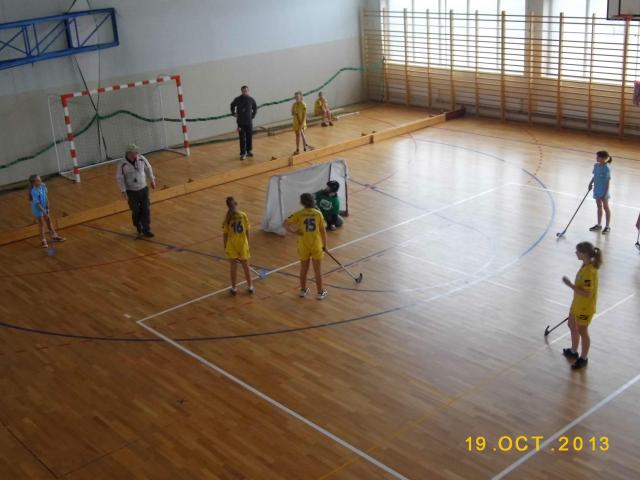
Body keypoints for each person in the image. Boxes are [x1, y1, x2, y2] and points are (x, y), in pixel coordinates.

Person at [561, 241, 602, 370]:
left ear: (584, 253)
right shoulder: (585, 265)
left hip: (585, 307)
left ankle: (583, 359)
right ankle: (573, 351)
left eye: (578, 251)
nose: (576, 253)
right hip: (577, 303)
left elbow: (588, 294)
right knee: (571, 325)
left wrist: (570, 285)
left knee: (582, 331)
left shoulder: (589, 271)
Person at [283, 193, 328, 300]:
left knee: (304, 269)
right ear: (313, 201)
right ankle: (320, 292)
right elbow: (323, 231)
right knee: (317, 270)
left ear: (302, 203)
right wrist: (325, 245)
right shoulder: (318, 214)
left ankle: (303, 290)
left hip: (303, 245)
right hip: (316, 245)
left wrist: (294, 232)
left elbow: (285, 223)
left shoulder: (299, 214)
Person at [116, 144, 156, 238]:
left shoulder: (141, 159)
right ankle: (137, 224)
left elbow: (148, 168)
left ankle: (146, 229)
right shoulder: (122, 164)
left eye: (137, 151)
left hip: (143, 189)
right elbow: (120, 178)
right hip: (131, 192)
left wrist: (152, 180)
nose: (137, 153)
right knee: (136, 210)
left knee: (146, 209)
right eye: (134, 152)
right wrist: (123, 191)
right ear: (129, 153)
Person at [222, 197, 254, 295]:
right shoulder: (243, 215)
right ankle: (250, 287)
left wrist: (225, 246)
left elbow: (225, 234)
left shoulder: (227, 218)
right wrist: (248, 243)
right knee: (246, 266)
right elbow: (247, 230)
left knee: (233, 267)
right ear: (236, 203)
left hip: (232, 245)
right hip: (242, 243)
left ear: (227, 206)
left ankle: (234, 288)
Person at [28, 174, 65, 248]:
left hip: (44, 206)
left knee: (48, 220)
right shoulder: (33, 191)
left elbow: (45, 195)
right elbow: (38, 204)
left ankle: (54, 236)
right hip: (38, 209)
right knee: (42, 223)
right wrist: (44, 212)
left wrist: (48, 203)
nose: (40, 181)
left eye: (40, 179)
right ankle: (43, 240)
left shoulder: (43, 185)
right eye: (38, 180)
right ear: (34, 183)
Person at [230, 86, 258, 160]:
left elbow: (255, 108)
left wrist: (253, 115)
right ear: (241, 91)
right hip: (240, 123)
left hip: (249, 123)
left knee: (249, 137)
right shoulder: (237, 99)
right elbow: (232, 105)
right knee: (242, 138)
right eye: (243, 91)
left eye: (246, 91)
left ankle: (249, 151)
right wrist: (233, 113)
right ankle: (243, 153)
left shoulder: (251, 99)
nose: (244, 92)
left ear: (248, 91)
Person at [588, 151, 612, 234]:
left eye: (598, 157)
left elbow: (608, 182)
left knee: (606, 208)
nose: (596, 158)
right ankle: (599, 225)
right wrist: (590, 183)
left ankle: (607, 226)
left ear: (603, 158)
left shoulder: (606, 169)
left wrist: (605, 194)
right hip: (597, 190)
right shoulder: (596, 165)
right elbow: (594, 176)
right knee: (599, 206)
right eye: (596, 156)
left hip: (604, 191)